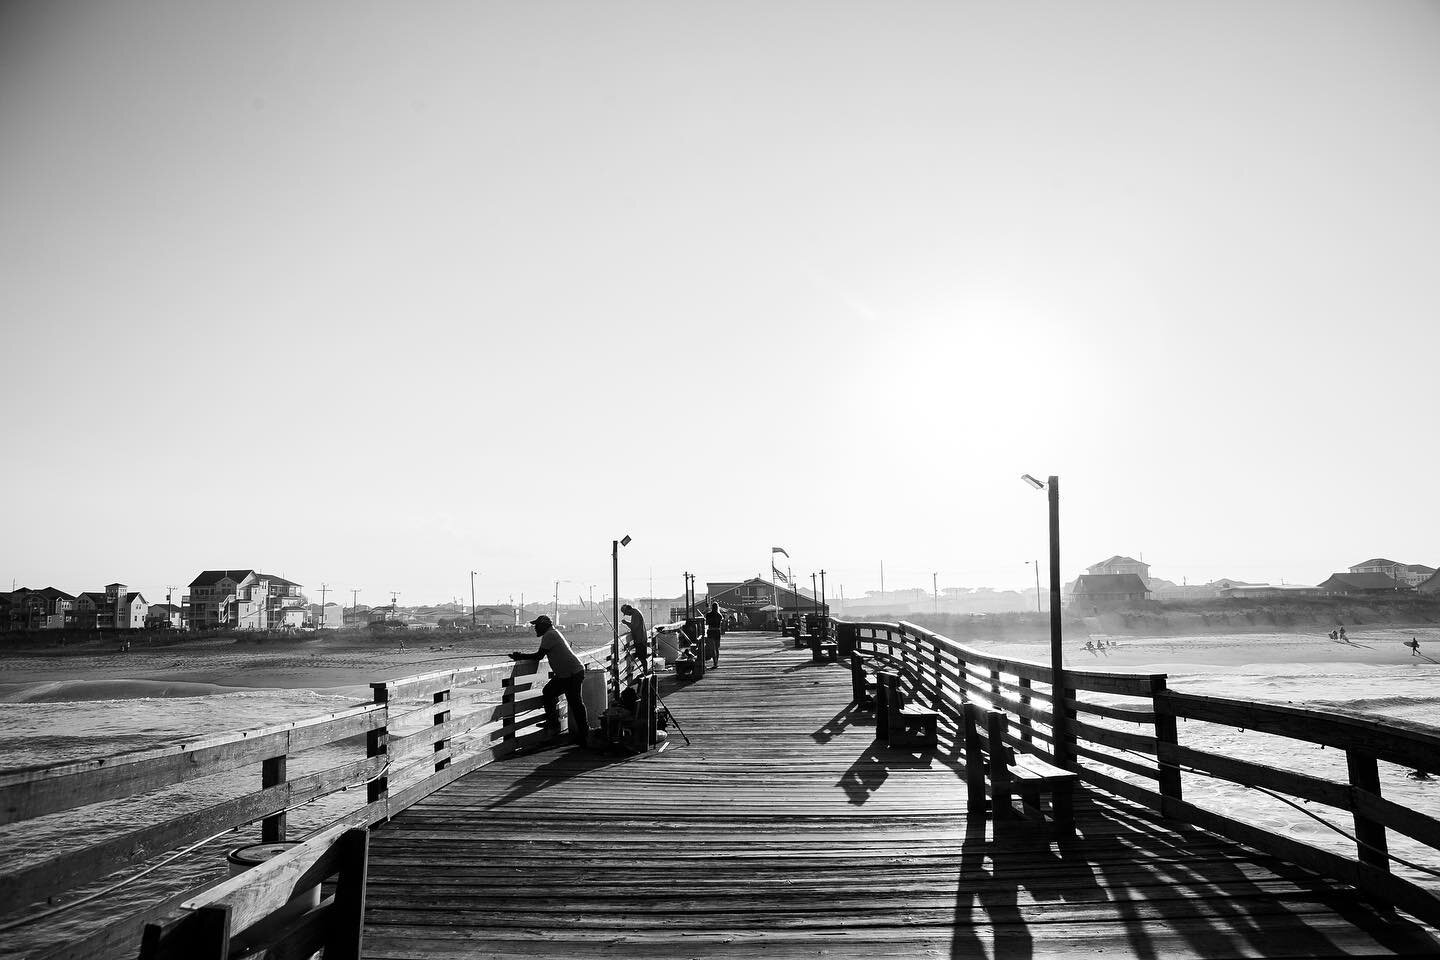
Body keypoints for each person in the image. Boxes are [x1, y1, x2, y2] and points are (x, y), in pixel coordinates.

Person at [510, 614, 588, 746]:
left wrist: (520, 656)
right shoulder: (552, 633)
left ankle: (581, 732)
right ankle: (556, 724)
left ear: (543, 625)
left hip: (572, 673)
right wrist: (521, 656)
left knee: (574, 702)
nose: (535, 628)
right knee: (550, 693)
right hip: (567, 673)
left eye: (536, 626)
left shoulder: (549, 635)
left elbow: (539, 656)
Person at [621, 603, 648, 671]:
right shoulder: (636, 612)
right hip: (641, 638)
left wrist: (626, 622)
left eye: (626, 613)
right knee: (640, 656)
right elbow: (635, 626)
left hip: (640, 639)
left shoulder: (635, 614)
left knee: (642, 657)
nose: (627, 615)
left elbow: (634, 627)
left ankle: (645, 671)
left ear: (628, 609)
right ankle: (642, 670)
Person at [704, 601, 723, 668]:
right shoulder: (719, 615)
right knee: (717, 648)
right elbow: (720, 625)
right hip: (717, 632)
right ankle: (716, 663)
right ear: (718, 607)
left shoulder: (708, 615)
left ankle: (714, 662)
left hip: (710, 631)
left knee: (712, 648)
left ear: (712, 607)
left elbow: (707, 623)